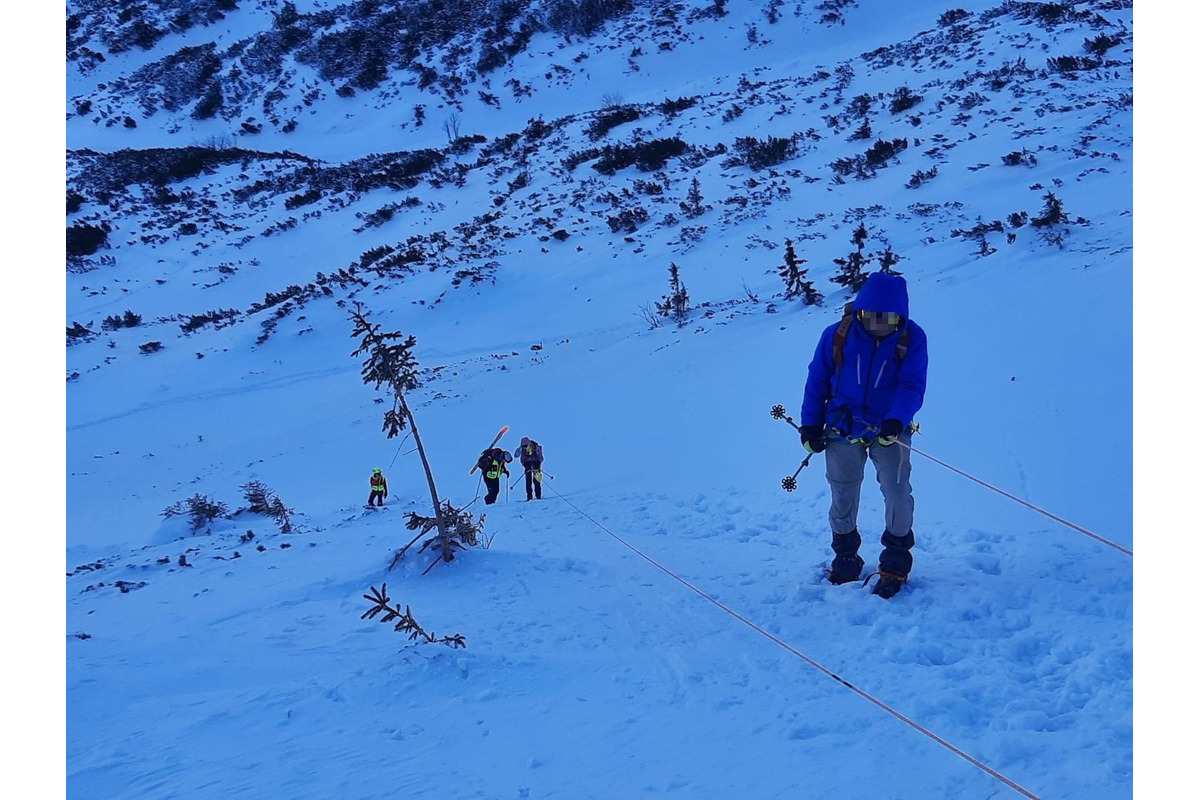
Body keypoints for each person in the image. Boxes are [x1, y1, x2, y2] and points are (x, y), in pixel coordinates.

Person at [798, 271, 928, 599]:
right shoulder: (837, 335)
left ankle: (895, 563)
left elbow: (911, 384)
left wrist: (897, 421)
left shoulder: (912, 338)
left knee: (897, 492)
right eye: (870, 316)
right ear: (859, 311)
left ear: (900, 316)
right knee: (843, 492)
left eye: (887, 317)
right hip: (841, 428)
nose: (877, 323)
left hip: (889, 430)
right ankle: (845, 556)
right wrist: (810, 426)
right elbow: (817, 380)